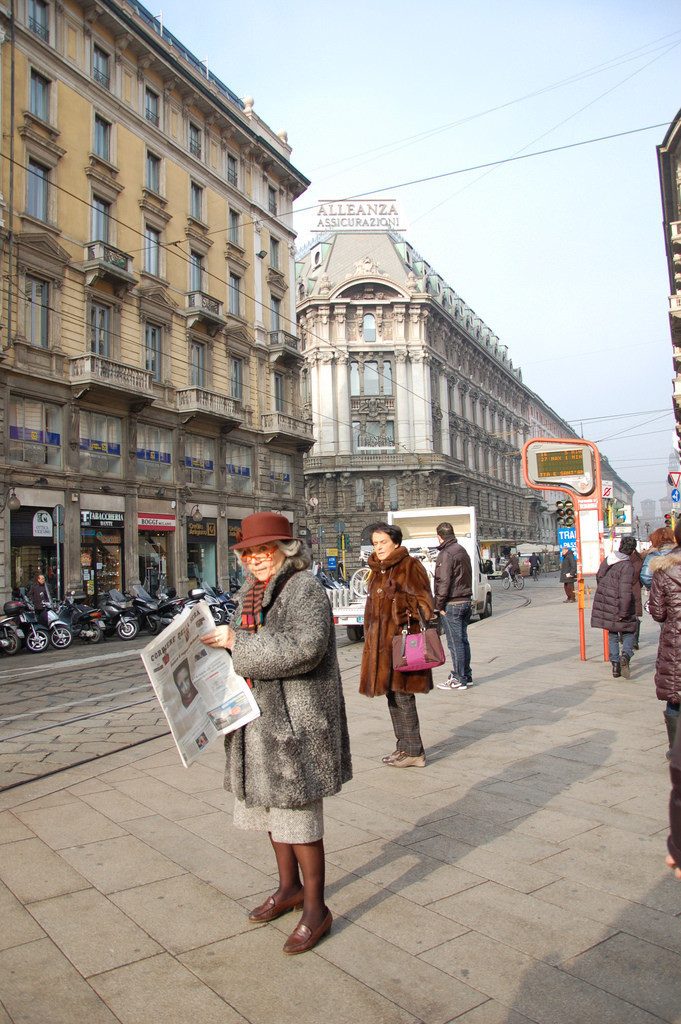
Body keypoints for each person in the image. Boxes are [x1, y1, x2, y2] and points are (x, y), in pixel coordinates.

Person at [200, 512, 351, 956]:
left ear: (284, 550)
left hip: (296, 722)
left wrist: (235, 643)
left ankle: (315, 909)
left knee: (299, 819)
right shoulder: (251, 591)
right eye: (247, 554)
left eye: (261, 552)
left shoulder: (303, 587)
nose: (252, 561)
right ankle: (288, 889)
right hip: (259, 718)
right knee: (271, 811)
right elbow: (249, 645)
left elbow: (305, 649)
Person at [359, 522, 434, 768]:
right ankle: (402, 747)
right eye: (375, 543)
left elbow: (425, 605)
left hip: (402, 644)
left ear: (396, 543)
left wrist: (398, 598)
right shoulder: (377, 570)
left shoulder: (410, 565)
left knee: (403, 696)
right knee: (391, 696)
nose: (378, 547)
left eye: (383, 542)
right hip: (380, 646)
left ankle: (415, 751)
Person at [648, 519, 681, 760]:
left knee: (675, 692)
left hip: (675, 640)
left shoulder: (662, 569)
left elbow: (658, 613)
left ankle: (676, 749)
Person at [433, 522, 473, 691]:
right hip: (465, 601)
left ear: (439, 536)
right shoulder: (461, 549)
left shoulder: (445, 554)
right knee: (463, 641)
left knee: (455, 643)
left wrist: (439, 604)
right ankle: (466, 675)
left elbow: (443, 581)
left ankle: (459, 678)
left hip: (453, 603)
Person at [590, 536, 638, 678]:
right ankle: (626, 655)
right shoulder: (627, 566)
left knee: (612, 634)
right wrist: (624, 611)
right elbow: (625, 591)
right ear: (633, 550)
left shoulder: (611, 558)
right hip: (620, 604)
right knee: (629, 630)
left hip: (608, 602)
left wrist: (607, 591)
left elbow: (599, 576)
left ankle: (615, 666)